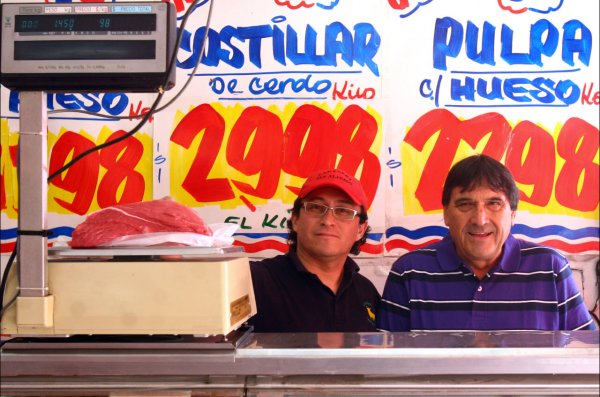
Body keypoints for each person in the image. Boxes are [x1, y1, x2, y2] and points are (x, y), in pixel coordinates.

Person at [377, 154, 596, 332]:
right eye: (465, 204)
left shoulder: (550, 268)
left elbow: (585, 355)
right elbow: (388, 367)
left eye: (494, 204)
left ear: (512, 214)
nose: (480, 220)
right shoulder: (409, 272)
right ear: (446, 214)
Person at [248, 168, 381, 332]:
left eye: (343, 211)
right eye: (316, 207)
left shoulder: (366, 292)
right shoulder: (254, 281)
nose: (328, 220)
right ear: (295, 219)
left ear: (360, 229)